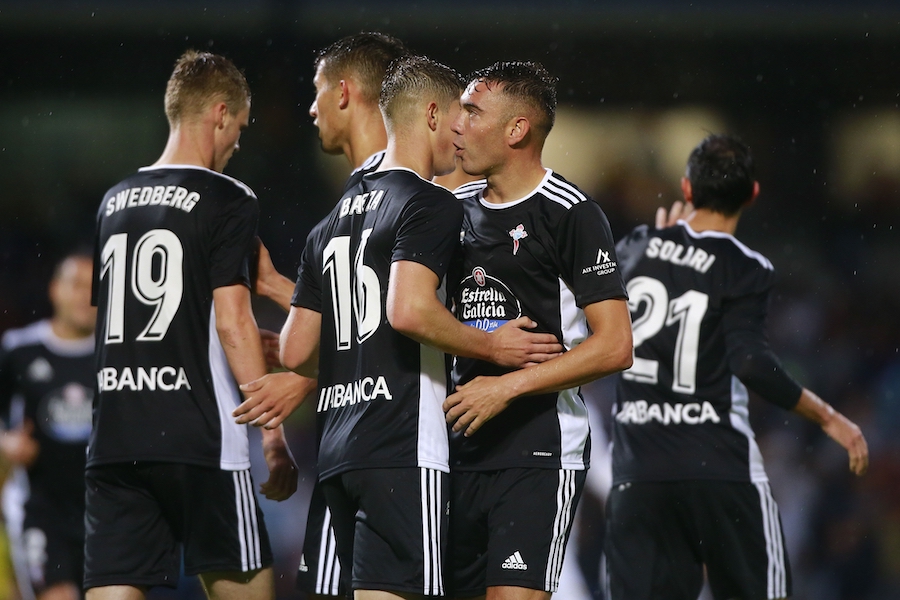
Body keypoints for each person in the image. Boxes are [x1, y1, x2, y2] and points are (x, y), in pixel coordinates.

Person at [276, 54, 564, 599]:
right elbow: (407, 310)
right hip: (404, 449)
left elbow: (294, 350)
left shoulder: (330, 221)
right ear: (432, 115)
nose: (461, 134)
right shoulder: (430, 203)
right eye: (458, 118)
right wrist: (493, 346)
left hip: (336, 451)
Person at [605, 133, 869, 600]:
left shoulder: (636, 246)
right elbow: (750, 362)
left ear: (687, 190)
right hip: (719, 467)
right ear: (752, 195)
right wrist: (828, 416)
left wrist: (657, 246)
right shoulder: (745, 265)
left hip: (639, 471)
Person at [85, 49, 298, 600]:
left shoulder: (112, 203)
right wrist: (271, 435)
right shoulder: (226, 197)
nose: (237, 142)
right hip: (199, 439)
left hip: (115, 439)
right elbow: (233, 320)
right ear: (220, 113)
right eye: (241, 128)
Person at [442, 61, 634, 600]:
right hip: (455, 449)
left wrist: (506, 385)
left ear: (517, 129)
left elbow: (616, 345)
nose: (458, 124)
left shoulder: (571, 214)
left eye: (473, 111)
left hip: (539, 452)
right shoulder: (447, 212)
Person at [243, 31, 409, 600]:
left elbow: (408, 320)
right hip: (350, 447)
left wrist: (305, 371)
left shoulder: (425, 191)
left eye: (317, 93)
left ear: (345, 93)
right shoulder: (346, 205)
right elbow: (366, 318)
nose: (310, 108)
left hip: (408, 449)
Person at [0, 251, 95, 600]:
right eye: (76, 285)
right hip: (39, 510)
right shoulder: (20, 350)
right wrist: (5, 442)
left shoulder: (116, 355)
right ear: (55, 289)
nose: (85, 295)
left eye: (94, 287)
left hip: (106, 512)